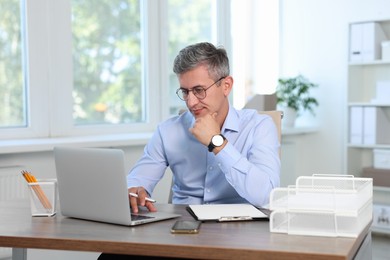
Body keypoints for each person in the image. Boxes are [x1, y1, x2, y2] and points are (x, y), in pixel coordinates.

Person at [127, 42, 280, 213]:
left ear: (226, 86)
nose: (191, 102)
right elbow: (138, 178)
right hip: (182, 228)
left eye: (199, 90)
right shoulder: (167, 131)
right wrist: (135, 189)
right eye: (185, 92)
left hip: (240, 228)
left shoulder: (259, 126)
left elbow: (266, 195)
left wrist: (218, 143)